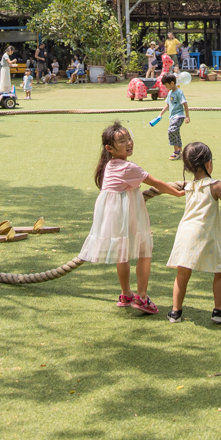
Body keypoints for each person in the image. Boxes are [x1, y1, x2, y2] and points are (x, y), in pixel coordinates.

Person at [80, 121, 183, 315]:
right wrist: (177, 194)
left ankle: (126, 293)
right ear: (109, 148)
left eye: (129, 138)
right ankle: (142, 297)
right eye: (122, 141)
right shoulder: (128, 168)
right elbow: (155, 182)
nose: (129, 143)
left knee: (123, 253)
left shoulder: (110, 164)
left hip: (112, 214)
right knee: (144, 251)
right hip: (123, 212)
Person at [167, 141, 221, 324]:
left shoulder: (188, 186)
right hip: (204, 233)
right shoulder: (215, 185)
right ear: (208, 163)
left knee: (183, 272)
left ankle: (175, 312)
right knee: (220, 271)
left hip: (185, 232)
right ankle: (219, 310)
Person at [155, 72, 191, 160]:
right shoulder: (170, 92)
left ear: (172, 83)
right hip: (172, 117)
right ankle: (180, 151)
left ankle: (176, 152)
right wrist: (160, 114)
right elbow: (167, 105)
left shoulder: (179, 92)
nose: (165, 87)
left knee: (171, 130)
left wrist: (187, 116)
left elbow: (185, 103)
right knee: (176, 133)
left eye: (166, 85)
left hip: (179, 116)